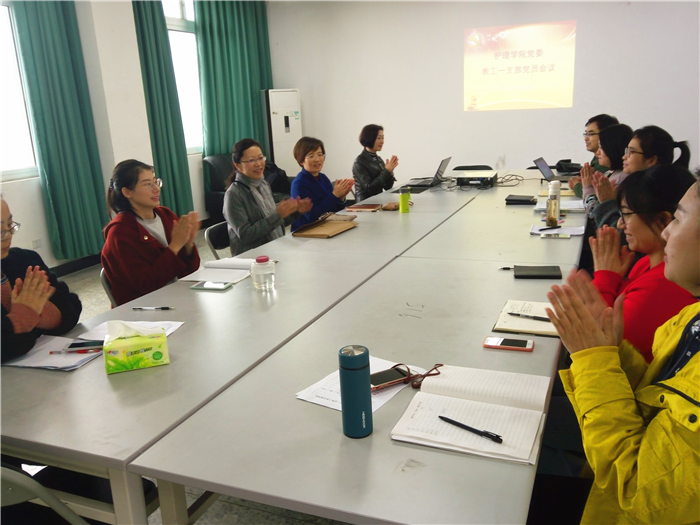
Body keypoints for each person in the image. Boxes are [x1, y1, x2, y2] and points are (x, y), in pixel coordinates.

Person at [544, 176, 700, 524]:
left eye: (679, 219)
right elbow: (651, 398)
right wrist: (614, 352)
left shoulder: (666, 291)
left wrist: (596, 360)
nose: (667, 233)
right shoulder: (692, 316)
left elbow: (637, 490)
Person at [588, 165, 697, 362]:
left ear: (662, 220)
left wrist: (605, 278)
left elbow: (596, 345)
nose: (620, 224)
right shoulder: (647, 262)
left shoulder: (663, 284)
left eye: (626, 214)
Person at [101, 160, 200, 306]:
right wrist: (175, 245)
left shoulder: (165, 215)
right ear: (127, 192)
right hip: (146, 308)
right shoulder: (120, 232)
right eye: (147, 184)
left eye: (155, 182)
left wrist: (188, 245)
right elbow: (147, 284)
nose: (156, 189)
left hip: (178, 296)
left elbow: (190, 271)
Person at [1, 197, 81, 362]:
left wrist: (45, 314)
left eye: (9, 225)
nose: (8, 236)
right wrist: (19, 321)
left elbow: (72, 307)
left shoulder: (25, 260)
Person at [592, 125, 693, 228]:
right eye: (626, 151)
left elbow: (624, 233)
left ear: (651, 160)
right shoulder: (640, 186)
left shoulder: (653, 193)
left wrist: (607, 203)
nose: (624, 157)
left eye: (631, 152)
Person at [223, 139, 312, 255]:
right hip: (252, 257)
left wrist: (295, 212)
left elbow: (274, 224)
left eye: (260, 158)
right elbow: (246, 235)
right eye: (251, 160)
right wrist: (278, 215)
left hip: (275, 249)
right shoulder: (234, 194)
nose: (258, 164)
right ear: (237, 165)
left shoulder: (264, 184)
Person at [290, 137, 354, 231]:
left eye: (320, 155)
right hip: (306, 231)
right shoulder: (299, 184)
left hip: (325, 227)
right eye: (311, 156)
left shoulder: (323, 178)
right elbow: (312, 216)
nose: (317, 159)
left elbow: (335, 210)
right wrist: (334, 195)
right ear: (301, 161)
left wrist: (341, 198)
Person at [581, 123, 633, 219]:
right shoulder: (612, 172)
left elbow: (594, 213)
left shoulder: (619, 180)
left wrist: (587, 187)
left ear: (613, 149)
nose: (597, 152)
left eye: (601, 147)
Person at [570, 114, 619, 197]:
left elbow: (596, 191)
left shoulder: (607, 160)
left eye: (591, 134)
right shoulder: (597, 157)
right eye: (586, 134)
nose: (586, 138)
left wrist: (576, 186)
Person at [352, 124, 398, 202]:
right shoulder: (359, 162)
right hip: (365, 204)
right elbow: (370, 188)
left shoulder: (378, 159)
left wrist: (390, 172)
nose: (382, 141)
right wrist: (386, 171)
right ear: (369, 138)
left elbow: (387, 187)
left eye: (383, 138)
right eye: (379, 138)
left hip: (378, 201)